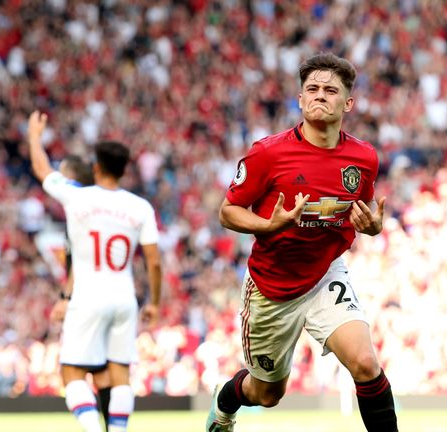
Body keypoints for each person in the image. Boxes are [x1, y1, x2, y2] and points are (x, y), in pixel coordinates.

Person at [206, 53, 398, 432]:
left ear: (348, 103)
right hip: (273, 287)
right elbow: (228, 211)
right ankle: (225, 399)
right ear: (299, 99)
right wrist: (266, 223)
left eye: (330, 90)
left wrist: (373, 227)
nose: (319, 96)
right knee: (267, 395)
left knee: (365, 362)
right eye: (312, 89)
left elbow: (362, 213)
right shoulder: (268, 153)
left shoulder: (363, 158)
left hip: (326, 274)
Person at [27, 111, 162, 432]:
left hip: (88, 296)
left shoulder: (77, 196)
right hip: (124, 298)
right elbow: (154, 261)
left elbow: (42, 168)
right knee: (119, 375)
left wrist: (34, 136)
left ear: (96, 167)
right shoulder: (140, 206)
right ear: (124, 170)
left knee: (72, 373)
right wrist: (154, 302)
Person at [49, 154, 113, 429]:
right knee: (103, 373)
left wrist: (65, 298)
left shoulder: (79, 209)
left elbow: (82, 261)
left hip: (86, 297)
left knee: (71, 372)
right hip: (112, 295)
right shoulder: (103, 208)